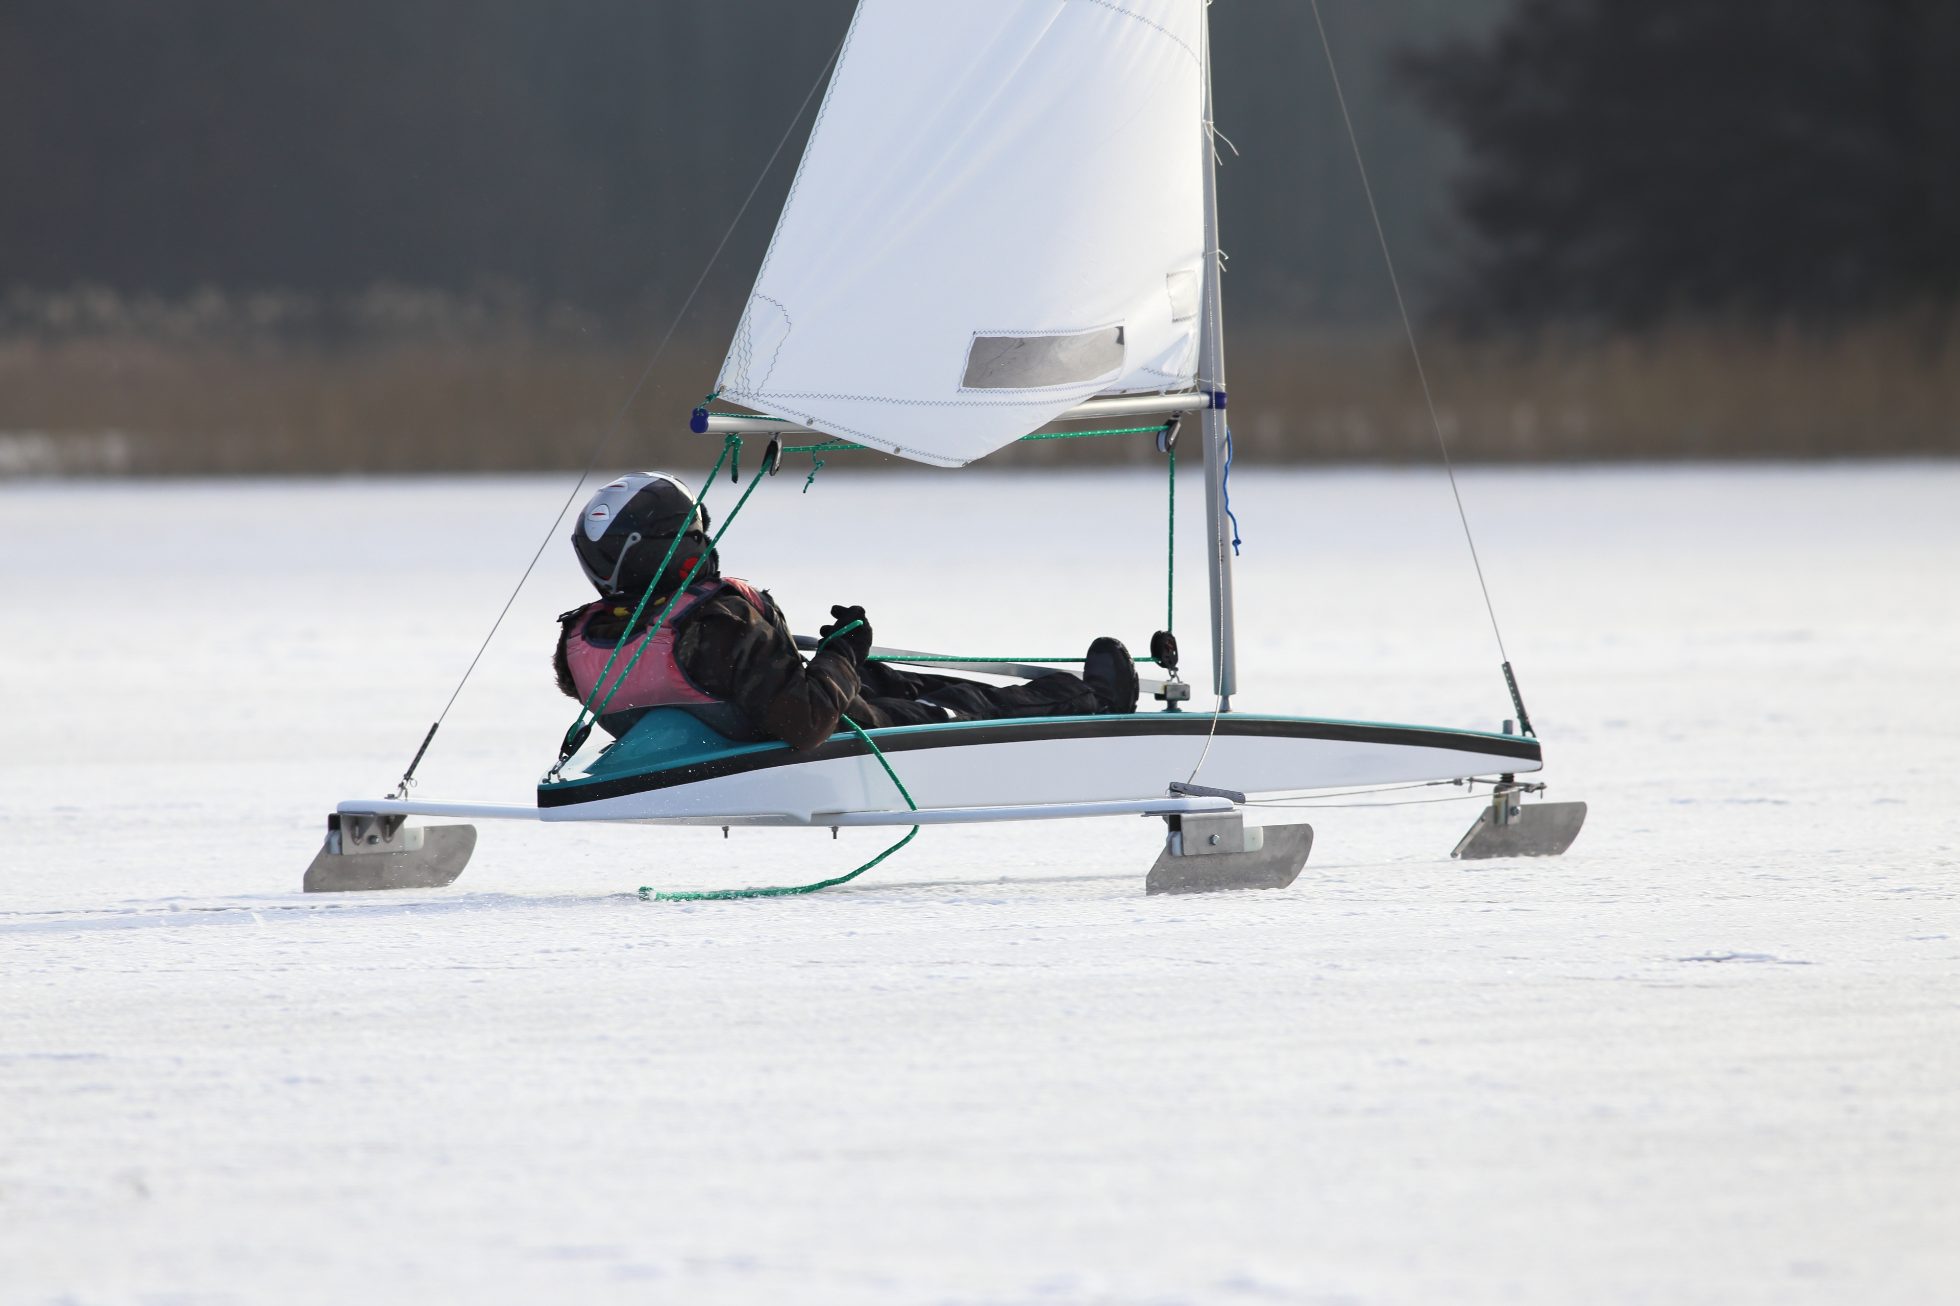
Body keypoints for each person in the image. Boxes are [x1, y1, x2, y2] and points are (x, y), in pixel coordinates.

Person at [553, 471, 1139, 750]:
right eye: (692, 533)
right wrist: (842, 650)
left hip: (731, 713)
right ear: (663, 548)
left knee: (897, 678)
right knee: (966, 703)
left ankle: (884, 674)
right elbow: (803, 723)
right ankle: (1098, 702)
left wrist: (843, 660)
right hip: (814, 725)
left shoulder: (582, 640)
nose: (704, 544)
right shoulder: (714, 627)